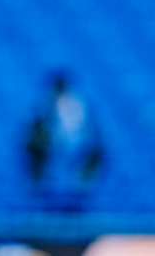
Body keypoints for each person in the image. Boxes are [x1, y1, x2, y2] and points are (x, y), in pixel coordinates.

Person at [24, 72, 102, 211]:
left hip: (70, 149)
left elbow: (76, 132)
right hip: (60, 150)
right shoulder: (50, 103)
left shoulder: (71, 103)